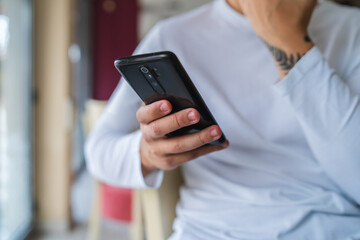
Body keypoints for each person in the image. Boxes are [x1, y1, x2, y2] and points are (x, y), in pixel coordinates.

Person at [85, 0, 360, 239]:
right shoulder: (174, 36)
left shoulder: (351, 29)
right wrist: (147, 154)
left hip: (334, 228)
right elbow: (98, 151)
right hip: (209, 230)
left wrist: (288, 42)